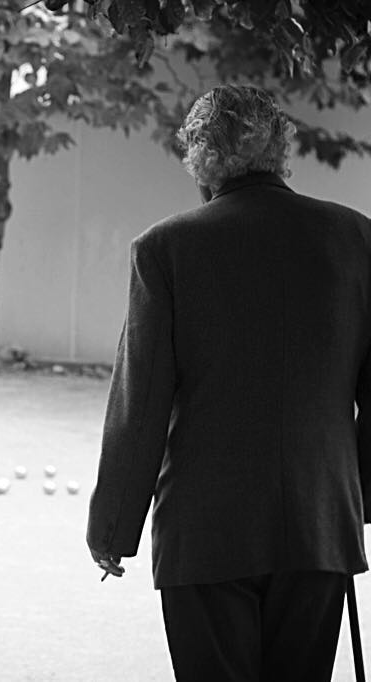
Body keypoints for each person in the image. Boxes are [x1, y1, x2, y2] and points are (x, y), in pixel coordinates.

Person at [85, 84, 371, 682]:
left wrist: (113, 526)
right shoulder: (357, 239)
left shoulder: (165, 249)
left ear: (199, 154)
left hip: (206, 532)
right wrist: (355, 498)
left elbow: (141, 405)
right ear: (281, 148)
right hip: (320, 529)